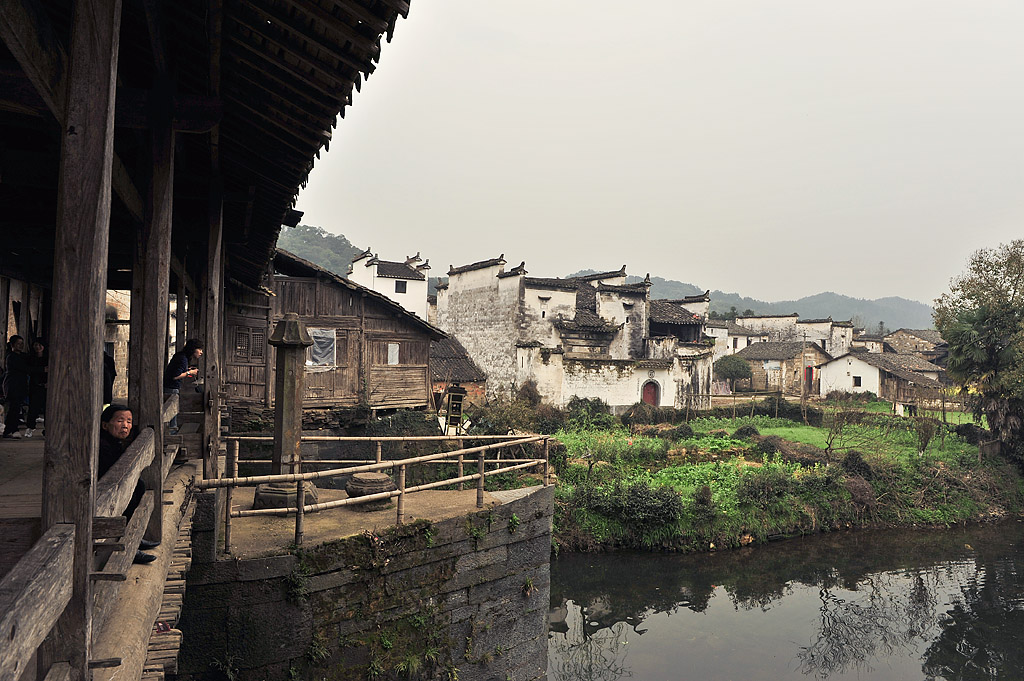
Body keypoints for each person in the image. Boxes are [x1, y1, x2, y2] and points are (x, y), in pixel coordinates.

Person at [99, 404, 159, 564]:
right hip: (102, 499)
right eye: (120, 421)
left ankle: (134, 540)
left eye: (129, 421)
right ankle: (128, 545)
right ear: (105, 425)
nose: (125, 425)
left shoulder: (115, 443)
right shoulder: (102, 447)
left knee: (138, 486)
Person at [163, 338, 203, 432]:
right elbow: (175, 376)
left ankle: (172, 433)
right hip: (171, 388)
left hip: (170, 387)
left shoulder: (181, 356)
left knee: (172, 413)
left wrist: (187, 370)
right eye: (199, 349)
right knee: (172, 413)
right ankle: (172, 435)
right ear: (193, 349)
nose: (201, 352)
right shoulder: (182, 358)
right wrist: (190, 373)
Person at [2, 335, 29, 439]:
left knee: (15, 408)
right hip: (12, 384)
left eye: (22, 343)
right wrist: (42, 369)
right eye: (18, 343)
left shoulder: (22, 355)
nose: (21, 345)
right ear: (12, 345)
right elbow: (25, 368)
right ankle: (14, 429)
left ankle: (7, 431)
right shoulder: (11, 357)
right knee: (14, 407)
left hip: (21, 384)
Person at [24, 340, 47, 437]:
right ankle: (30, 427)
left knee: (48, 409)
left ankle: (47, 430)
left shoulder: (49, 357)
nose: (38, 347)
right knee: (33, 408)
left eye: (40, 344)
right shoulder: (30, 358)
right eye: (36, 345)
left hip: (47, 386)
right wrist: (42, 370)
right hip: (35, 386)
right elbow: (28, 370)